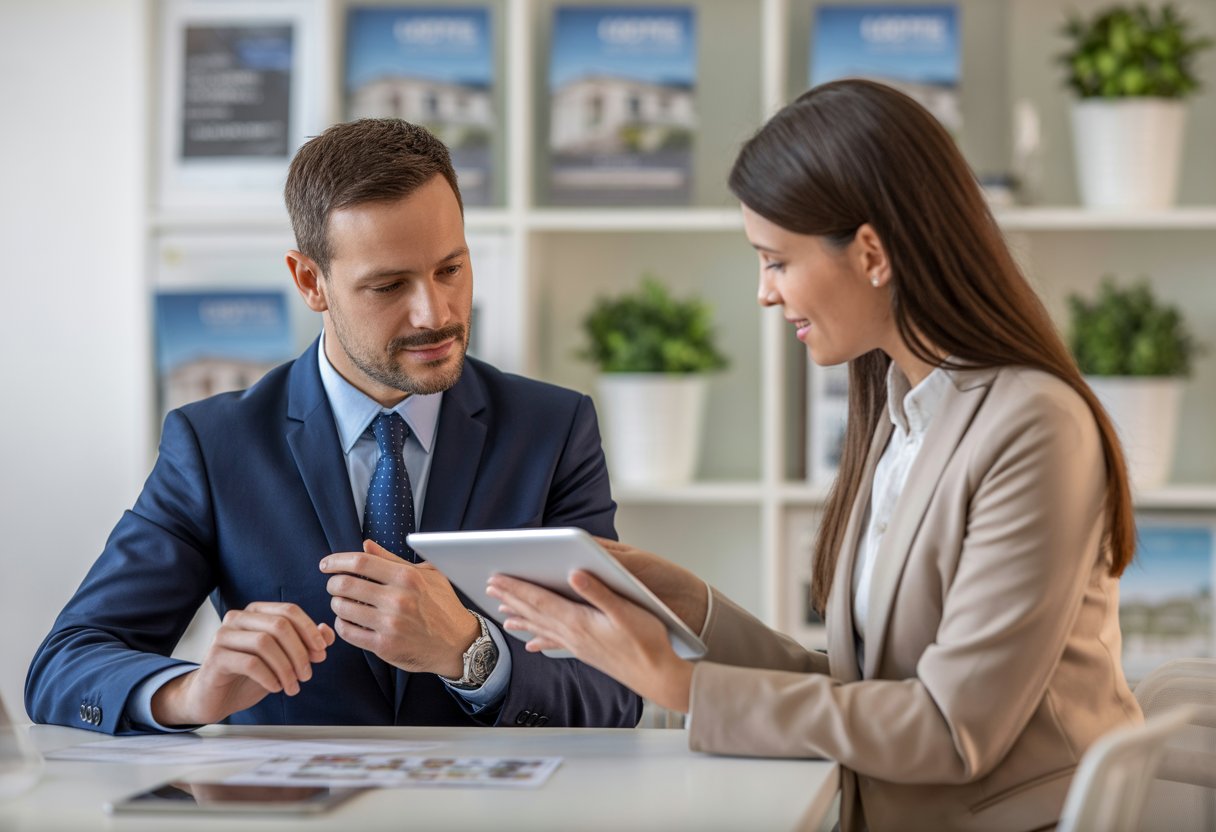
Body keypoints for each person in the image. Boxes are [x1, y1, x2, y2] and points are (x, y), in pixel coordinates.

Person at [486, 79, 1143, 831]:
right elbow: (856, 689)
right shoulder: (901, 412)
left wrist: (684, 688)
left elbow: (951, 729)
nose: (766, 294)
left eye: (775, 260)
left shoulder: (1035, 426)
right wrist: (687, 603)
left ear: (869, 252)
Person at [26, 119, 641, 734]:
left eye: (450, 269)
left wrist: (472, 653)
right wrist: (191, 694)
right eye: (388, 285)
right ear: (309, 282)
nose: (436, 312)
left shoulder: (554, 430)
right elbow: (62, 666)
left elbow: (621, 686)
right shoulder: (213, 446)